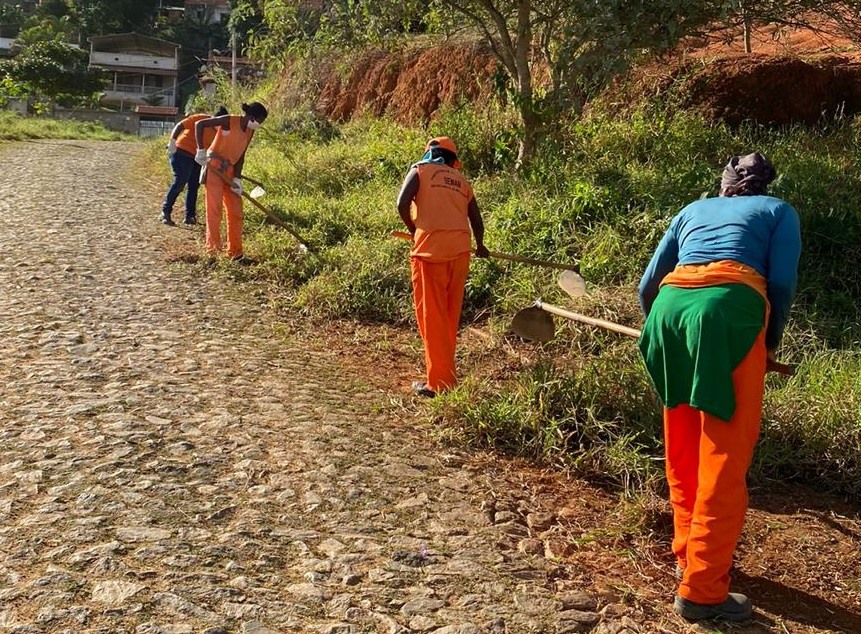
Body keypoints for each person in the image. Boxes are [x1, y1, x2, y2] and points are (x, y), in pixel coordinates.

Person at [637, 153, 801, 622]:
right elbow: (782, 285)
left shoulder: (692, 209)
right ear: (765, 186)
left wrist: (664, 330)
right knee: (724, 453)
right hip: (729, 313)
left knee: (683, 443)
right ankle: (704, 590)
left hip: (670, 312)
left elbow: (649, 283)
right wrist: (766, 343)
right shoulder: (778, 212)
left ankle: (689, 554)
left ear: (725, 185)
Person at [396, 136, 490, 398]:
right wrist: (480, 246)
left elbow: (402, 203)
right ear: (452, 159)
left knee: (432, 318)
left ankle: (439, 384)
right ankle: (444, 374)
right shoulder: (462, 182)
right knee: (449, 317)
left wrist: (414, 230)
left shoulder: (420, 170)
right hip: (460, 253)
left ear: (430, 154)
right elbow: (477, 220)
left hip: (429, 253)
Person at [194, 102, 268, 262]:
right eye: (258, 121)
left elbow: (241, 155)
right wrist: (200, 150)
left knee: (236, 211)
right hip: (214, 166)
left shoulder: (250, 131)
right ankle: (212, 252)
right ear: (250, 116)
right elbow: (199, 124)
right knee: (214, 211)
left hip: (230, 170)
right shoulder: (229, 120)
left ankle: (235, 253)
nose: (258, 125)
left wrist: (237, 177)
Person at [161, 106, 228, 226]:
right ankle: (165, 212)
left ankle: (190, 216)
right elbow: (180, 126)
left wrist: (222, 161)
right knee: (180, 180)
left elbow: (216, 150)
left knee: (194, 186)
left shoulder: (219, 133)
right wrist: (172, 141)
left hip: (197, 158)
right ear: (214, 119)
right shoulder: (201, 119)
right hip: (181, 152)